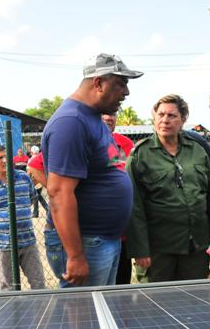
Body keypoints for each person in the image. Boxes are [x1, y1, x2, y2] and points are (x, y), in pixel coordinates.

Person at [42, 53, 143, 287]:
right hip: (86, 243)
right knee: (84, 317)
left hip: (102, 240)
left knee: (98, 315)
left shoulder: (93, 118)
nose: (126, 92)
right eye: (121, 84)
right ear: (98, 83)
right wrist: (75, 256)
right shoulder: (71, 122)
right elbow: (59, 193)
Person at [126, 94, 210, 282]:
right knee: (156, 303)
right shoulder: (140, 155)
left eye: (171, 116)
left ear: (183, 120)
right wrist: (140, 249)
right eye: (160, 115)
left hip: (196, 248)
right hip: (158, 251)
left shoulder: (197, 151)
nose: (165, 120)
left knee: (194, 300)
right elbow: (133, 206)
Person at [0, 145, 46, 291]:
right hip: (3, 245)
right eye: (0, 158)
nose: (4, 160)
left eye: (6, 156)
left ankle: (41, 313)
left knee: (39, 284)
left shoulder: (23, 178)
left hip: (28, 241)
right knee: (7, 288)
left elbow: (32, 197)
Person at [101, 111, 134, 285]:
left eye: (112, 114)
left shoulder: (126, 143)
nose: (108, 118)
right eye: (104, 114)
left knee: (122, 282)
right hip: (98, 233)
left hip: (123, 232)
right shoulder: (85, 140)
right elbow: (35, 164)